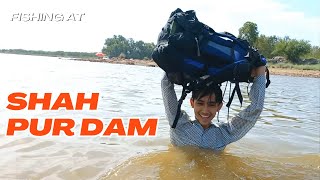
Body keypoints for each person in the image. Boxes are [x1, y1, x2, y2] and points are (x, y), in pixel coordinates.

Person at [161, 66, 266, 150]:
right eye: (200, 103)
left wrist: (260, 72)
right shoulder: (177, 123)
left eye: (211, 104)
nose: (205, 110)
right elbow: (166, 86)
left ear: (219, 106)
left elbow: (255, 108)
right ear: (192, 103)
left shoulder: (225, 133)